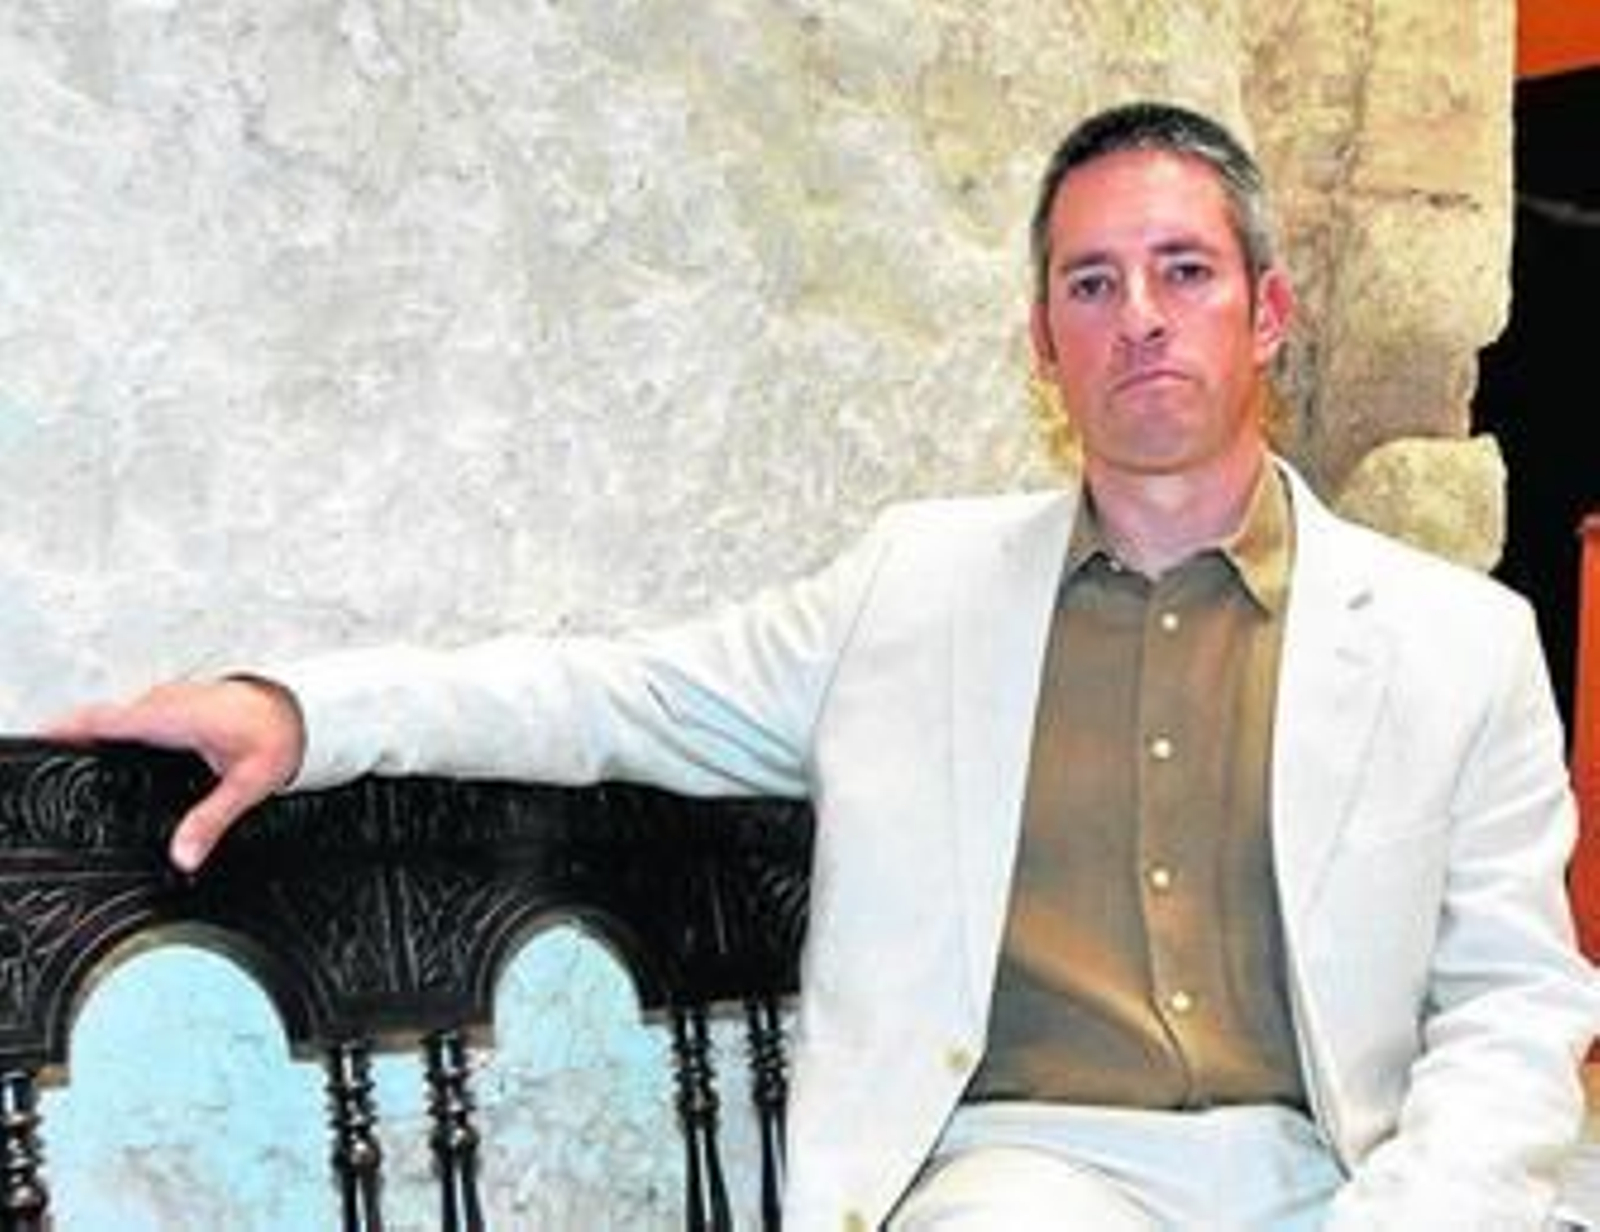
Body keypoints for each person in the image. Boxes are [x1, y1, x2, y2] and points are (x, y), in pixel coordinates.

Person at [49, 101, 1600, 1231]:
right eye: (1091, 283)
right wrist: (309, 711)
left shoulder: (1460, 644)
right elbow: (609, 695)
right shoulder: (908, 596)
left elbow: (1514, 1004)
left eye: (1184, 271)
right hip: (1030, 1178)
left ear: (1267, 312)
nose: (1139, 319)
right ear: (1043, 346)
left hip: (1353, 1176)